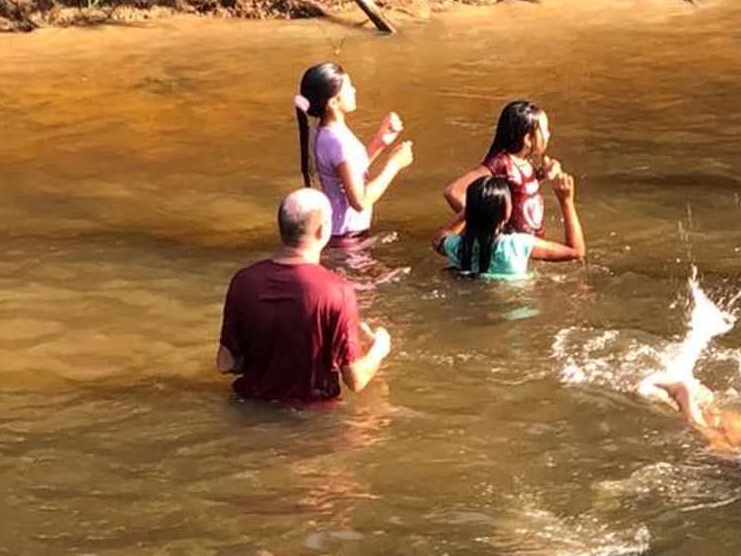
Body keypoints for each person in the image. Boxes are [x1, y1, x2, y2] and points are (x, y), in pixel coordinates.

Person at [216, 188, 393, 405]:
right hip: (312, 419)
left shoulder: (243, 281)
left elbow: (226, 363)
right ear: (322, 230)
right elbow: (355, 380)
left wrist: (272, 355)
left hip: (249, 410)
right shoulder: (338, 291)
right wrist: (379, 348)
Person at [295, 62, 413, 248]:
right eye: (348, 87)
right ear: (333, 103)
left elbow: (348, 170)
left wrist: (379, 142)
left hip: (337, 231)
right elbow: (360, 201)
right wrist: (394, 164)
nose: (354, 90)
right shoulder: (339, 141)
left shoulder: (324, 133)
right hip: (348, 237)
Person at [433, 172, 586, 277]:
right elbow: (576, 251)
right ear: (507, 213)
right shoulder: (518, 245)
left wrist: (467, 213)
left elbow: (439, 240)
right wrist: (566, 202)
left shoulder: (458, 247)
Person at [442, 100, 556, 236]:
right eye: (545, 130)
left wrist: (543, 174)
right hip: (510, 249)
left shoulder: (525, 161)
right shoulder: (501, 163)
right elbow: (453, 191)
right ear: (528, 139)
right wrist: (485, 225)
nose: (548, 134)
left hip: (530, 244)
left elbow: (520, 191)